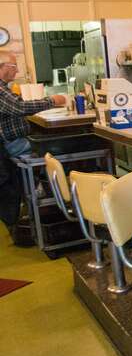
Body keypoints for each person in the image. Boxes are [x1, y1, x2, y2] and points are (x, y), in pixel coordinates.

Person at [0, 52, 66, 243]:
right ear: (3, 67)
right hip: (12, 146)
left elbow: (17, 106)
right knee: (60, 149)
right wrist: (53, 101)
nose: (17, 70)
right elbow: (19, 108)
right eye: (14, 66)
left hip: (11, 143)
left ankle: (45, 195)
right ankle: (56, 196)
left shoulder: (5, 88)